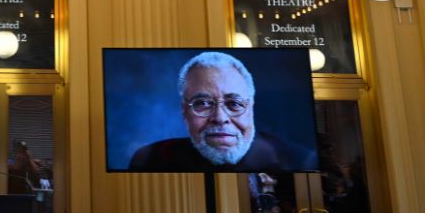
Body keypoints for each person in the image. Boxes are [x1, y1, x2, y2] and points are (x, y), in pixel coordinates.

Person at [128, 51, 316, 172]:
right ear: (184, 111)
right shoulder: (151, 160)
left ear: (251, 108)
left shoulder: (301, 161)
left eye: (233, 104)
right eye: (202, 103)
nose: (220, 118)